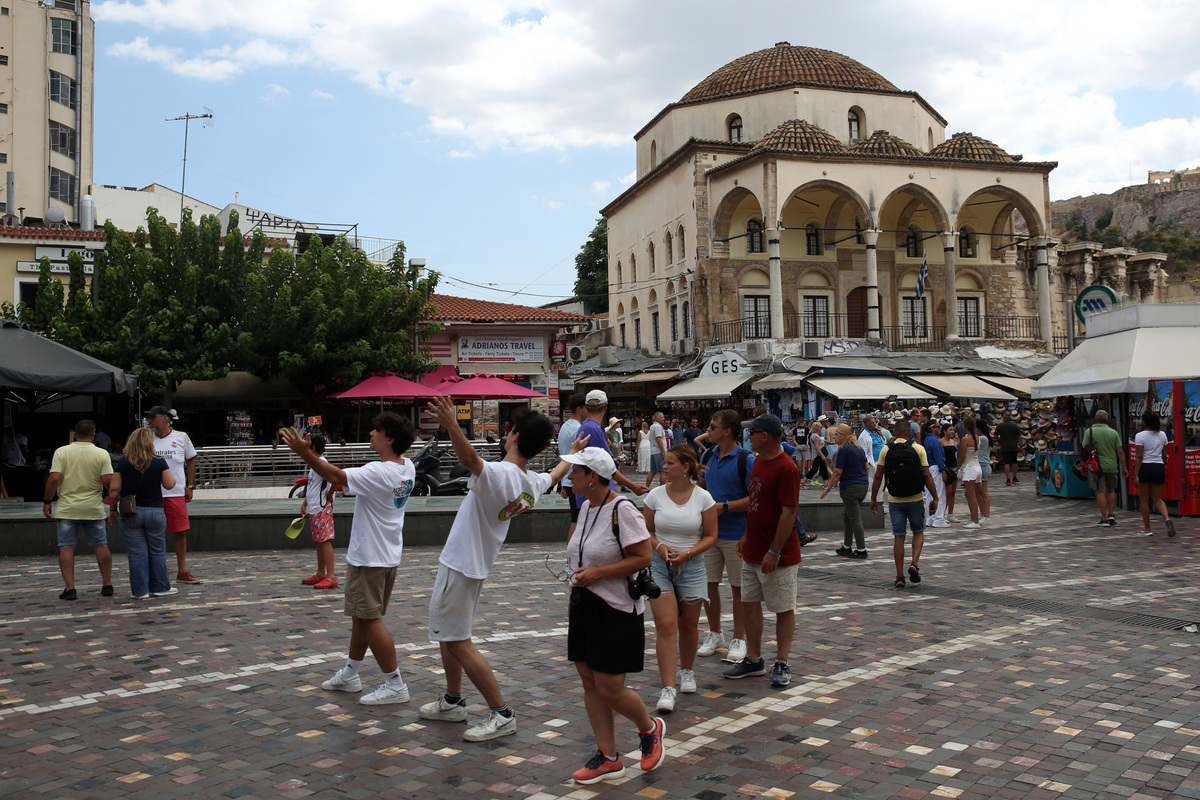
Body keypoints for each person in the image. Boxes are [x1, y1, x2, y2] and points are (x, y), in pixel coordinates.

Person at [420, 396, 584, 741]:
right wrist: (573, 454)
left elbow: (469, 459)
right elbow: (555, 474)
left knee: (459, 640)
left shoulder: (501, 475)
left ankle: (501, 712)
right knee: (448, 635)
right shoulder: (530, 483)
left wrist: (452, 424)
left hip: (462, 563)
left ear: (512, 436)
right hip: (474, 564)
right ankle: (452, 700)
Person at [282, 412, 417, 706]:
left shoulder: (379, 472)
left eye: (376, 430)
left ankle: (394, 684)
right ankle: (350, 674)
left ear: (389, 438)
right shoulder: (407, 467)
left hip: (370, 557)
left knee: (370, 620)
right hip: (386, 554)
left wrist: (305, 454)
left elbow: (336, 477)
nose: (371, 434)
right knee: (361, 618)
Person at [558, 448, 665, 785]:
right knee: (589, 681)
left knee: (609, 687)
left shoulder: (622, 510)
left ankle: (650, 728)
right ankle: (608, 756)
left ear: (592, 476)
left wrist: (599, 574)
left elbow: (644, 557)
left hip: (616, 609)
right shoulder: (587, 507)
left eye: (574, 471)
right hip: (585, 605)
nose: (569, 476)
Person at [724, 413, 800, 689]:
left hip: (777, 554)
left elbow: (789, 512)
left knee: (782, 607)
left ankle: (781, 660)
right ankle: (754, 658)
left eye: (752, 432)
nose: (748, 436)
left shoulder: (786, 467)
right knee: (750, 604)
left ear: (764, 436)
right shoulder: (757, 463)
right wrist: (746, 534)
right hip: (753, 550)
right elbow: (755, 503)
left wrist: (775, 551)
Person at [643, 445, 718, 712]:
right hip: (660, 566)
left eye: (669, 463)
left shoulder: (703, 497)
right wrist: (659, 547)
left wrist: (688, 553)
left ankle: (687, 670)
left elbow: (710, 535)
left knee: (688, 625)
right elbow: (646, 530)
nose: (664, 467)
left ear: (685, 468)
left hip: (692, 565)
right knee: (665, 626)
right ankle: (667, 688)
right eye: (664, 463)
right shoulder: (654, 496)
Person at [696, 410, 754, 665]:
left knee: (738, 587)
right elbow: (700, 487)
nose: (708, 430)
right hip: (709, 533)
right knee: (708, 584)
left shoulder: (745, 459)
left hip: (736, 533)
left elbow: (756, 498)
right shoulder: (707, 455)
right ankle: (715, 632)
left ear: (727, 431)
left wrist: (726, 506)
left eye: (712, 426)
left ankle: (739, 637)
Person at [44, 420, 115, 601]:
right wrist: (112, 501)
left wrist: (47, 501)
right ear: (93, 436)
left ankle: (70, 588)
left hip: (67, 508)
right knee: (100, 545)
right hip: (93, 507)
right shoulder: (102, 454)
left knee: (66, 547)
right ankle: (107, 584)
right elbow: (108, 481)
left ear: (74, 435)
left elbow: (54, 478)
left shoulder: (62, 452)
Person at [108, 428, 176, 599]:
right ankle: (160, 587)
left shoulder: (122, 463)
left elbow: (114, 489)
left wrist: (111, 509)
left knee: (136, 554)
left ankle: (140, 591)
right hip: (155, 511)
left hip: (130, 512)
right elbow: (169, 485)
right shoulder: (159, 461)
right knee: (157, 551)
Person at [870, 424, 939, 588]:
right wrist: (935, 497)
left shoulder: (886, 450)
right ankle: (914, 563)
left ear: (894, 434)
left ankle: (899, 576)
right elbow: (927, 474)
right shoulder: (918, 448)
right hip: (915, 498)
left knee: (899, 536)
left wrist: (874, 498)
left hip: (895, 500)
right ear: (909, 433)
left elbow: (878, 475)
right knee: (918, 532)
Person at [145, 406, 201, 584]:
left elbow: (190, 462)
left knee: (180, 531)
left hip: (175, 493)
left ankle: (181, 570)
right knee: (153, 533)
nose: (149, 420)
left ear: (164, 418)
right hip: (153, 493)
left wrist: (190, 486)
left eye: (152, 417)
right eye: (148, 417)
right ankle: (154, 571)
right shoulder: (147, 439)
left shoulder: (181, 437)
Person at [577, 391, 648, 497]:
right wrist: (633, 486)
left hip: (593, 491)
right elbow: (608, 467)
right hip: (598, 493)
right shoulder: (593, 429)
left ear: (586, 407)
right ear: (605, 407)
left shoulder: (587, 426)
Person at [821, 424, 870, 559]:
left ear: (843, 436)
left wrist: (827, 488)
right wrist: (864, 480)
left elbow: (837, 472)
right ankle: (847, 546)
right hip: (862, 486)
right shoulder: (858, 449)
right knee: (847, 516)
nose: (834, 436)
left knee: (855, 519)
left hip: (850, 487)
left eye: (836, 434)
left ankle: (861, 549)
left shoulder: (844, 450)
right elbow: (866, 467)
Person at [300, 434, 338, 589]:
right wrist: (305, 503)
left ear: (313, 447)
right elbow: (313, 486)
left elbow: (335, 478)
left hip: (322, 507)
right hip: (316, 506)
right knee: (319, 541)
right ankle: (321, 572)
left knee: (324, 541)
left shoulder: (321, 463)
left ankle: (331, 576)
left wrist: (329, 495)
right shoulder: (315, 464)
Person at [1134, 410, 1175, 537]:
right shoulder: (1163, 435)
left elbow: (1139, 456)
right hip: (1159, 466)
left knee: (1144, 500)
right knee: (1158, 498)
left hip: (1145, 467)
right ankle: (1167, 518)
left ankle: (1147, 528)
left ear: (1145, 422)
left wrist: (1136, 474)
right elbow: (1164, 455)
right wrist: (1163, 465)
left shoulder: (1140, 436)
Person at [1084, 410, 1124, 527]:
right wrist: (1124, 467)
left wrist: (1084, 466)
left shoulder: (1089, 431)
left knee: (1100, 491)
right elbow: (1120, 452)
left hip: (1097, 467)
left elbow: (1085, 450)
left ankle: (1104, 518)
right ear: (1107, 420)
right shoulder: (1113, 433)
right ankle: (1111, 513)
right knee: (1111, 490)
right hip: (1111, 465)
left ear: (1095, 419)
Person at [558, 394, 588, 525]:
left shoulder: (564, 427)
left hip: (568, 479)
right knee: (580, 521)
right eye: (586, 408)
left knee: (576, 519)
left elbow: (562, 455)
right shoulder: (578, 429)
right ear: (579, 409)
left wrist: (562, 481)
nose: (588, 412)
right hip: (577, 479)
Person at [956, 415, 983, 529]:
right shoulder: (977, 437)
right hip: (977, 467)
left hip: (969, 468)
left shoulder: (966, 439)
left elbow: (962, 456)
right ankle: (973, 518)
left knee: (971, 496)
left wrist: (958, 466)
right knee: (971, 494)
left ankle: (975, 521)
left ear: (965, 426)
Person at [922, 419, 949, 528]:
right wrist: (943, 470)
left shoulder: (926, 439)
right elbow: (938, 457)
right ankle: (939, 518)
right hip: (935, 467)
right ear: (932, 428)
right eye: (938, 427)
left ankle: (930, 517)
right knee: (939, 494)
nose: (940, 429)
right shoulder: (934, 440)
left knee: (929, 494)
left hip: (928, 467)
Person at [940, 421, 960, 523]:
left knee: (953, 492)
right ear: (944, 431)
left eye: (953, 430)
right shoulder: (941, 441)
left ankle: (950, 513)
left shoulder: (953, 441)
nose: (952, 432)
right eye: (950, 430)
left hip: (954, 467)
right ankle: (942, 513)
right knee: (947, 492)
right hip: (947, 468)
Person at [857, 414, 885, 485]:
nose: (874, 424)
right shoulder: (863, 436)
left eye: (874, 422)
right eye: (872, 423)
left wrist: (880, 434)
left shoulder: (876, 432)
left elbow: (883, 442)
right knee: (872, 485)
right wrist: (869, 463)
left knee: (881, 485)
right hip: (873, 463)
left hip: (881, 462)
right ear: (866, 425)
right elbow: (863, 451)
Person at [995, 413, 1022, 486]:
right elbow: (1020, 437)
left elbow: (995, 436)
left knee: (1006, 462)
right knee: (1014, 462)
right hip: (1013, 446)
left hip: (1004, 447)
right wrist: (1021, 446)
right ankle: (1014, 477)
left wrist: (1000, 438)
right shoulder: (1014, 426)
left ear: (1003, 418)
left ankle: (1008, 479)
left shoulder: (1000, 426)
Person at [976, 420, 993, 525]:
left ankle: (986, 515)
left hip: (983, 466)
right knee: (978, 493)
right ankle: (983, 514)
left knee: (983, 493)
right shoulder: (983, 438)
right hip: (980, 465)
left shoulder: (982, 438)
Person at [645, 411, 667, 488]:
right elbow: (658, 439)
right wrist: (663, 451)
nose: (663, 419)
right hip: (658, 451)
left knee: (652, 471)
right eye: (662, 417)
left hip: (653, 451)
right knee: (663, 471)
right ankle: (662, 488)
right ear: (657, 418)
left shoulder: (652, 426)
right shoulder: (657, 427)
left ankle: (647, 487)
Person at [804, 421, 829, 486]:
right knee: (814, 469)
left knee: (823, 468)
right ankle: (803, 481)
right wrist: (822, 455)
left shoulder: (814, 436)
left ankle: (825, 483)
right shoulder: (816, 436)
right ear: (818, 428)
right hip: (817, 455)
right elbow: (817, 447)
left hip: (817, 455)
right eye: (820, 428)